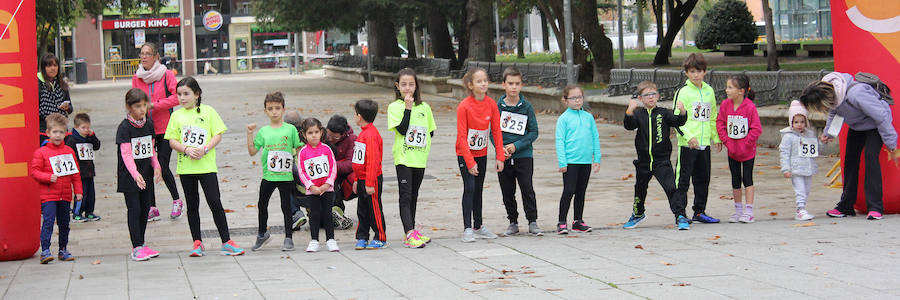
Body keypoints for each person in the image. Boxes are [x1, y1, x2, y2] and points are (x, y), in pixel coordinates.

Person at [799, 72, 900, 220]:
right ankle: (845, 206)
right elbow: (834, 113)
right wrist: (829, 133)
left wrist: (891, 143)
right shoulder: (833, 96)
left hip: (874, 126)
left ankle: (875, 207)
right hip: (857, 126)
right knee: (850, 162)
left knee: (871, 159)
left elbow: (881, 116)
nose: (823, 109)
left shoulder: (856, 95)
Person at [164, 77, 244, 256]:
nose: (182, 98)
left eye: (186, 94)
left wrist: (205, 148)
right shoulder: (176, 115)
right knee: (192, 205)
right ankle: (197, 242)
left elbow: (218, 134)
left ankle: (226, 241)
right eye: (179, 94)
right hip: (186, 168)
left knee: (215, 201)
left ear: (197, 94)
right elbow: (171, 140)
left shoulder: (208, 112)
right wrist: (186, 149)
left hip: (207, 167)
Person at [623, 81, 687, 229]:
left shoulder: (664, 113)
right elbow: (629, 125)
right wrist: (629, 111)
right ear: (640, 98)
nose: (651, 98)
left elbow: (678, 121)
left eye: (653, 94)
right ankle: (638, 213)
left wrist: (682, 112)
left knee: (671, 187)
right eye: (647, 95)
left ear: (658, 96)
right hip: (643, 162)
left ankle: (680, 215)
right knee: (640, 188)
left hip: (661, 161)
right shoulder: (639, 114)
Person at [132, 42, 183, 222]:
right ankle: (151, 207)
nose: (144, 57)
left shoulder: (166, 74)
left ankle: (177, 200)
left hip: (166, 127)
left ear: (155, 57)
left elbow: (177, 97)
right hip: (145, 128)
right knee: (146, 167)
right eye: (142, 54)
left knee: (161, 164)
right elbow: (134, 99)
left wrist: (155, 105)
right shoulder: (137, 77)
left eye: (148, 54)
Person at [671, 53, 722, 230]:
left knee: (703, 179)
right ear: (686, 73)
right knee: (683, 180)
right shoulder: (683, 92)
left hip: (704, 143)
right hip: (688, 145)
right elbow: (676, 120)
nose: (695, 75)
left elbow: (713, 116)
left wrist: (715, 137)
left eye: (699, 71)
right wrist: (688, 137)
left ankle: (699, 211)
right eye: (692, 71)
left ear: (705, 72)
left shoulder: (709, 91)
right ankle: (680, 214)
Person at [247, 92, 303, 252]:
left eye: (277, 108)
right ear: (265, 111)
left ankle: (288, 238)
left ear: (283, 109)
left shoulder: (290, 129)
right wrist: (249, 134)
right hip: (269, 176)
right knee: (261, 204)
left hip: (285, 176)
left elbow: (299, 147)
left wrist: (303, 163)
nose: (274, 112)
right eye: (270, 109)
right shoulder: (264, 131)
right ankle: (262, 234)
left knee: (286, 206)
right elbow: (252, 151)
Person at [387, 68, 436, 248]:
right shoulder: (394, 107)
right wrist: (407, 109)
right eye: (404, 85)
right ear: (397, 86)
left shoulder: (425, 107)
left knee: (414, 195)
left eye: (411, 84)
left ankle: (412, 231)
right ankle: (408, 233)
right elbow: (401, 129)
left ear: (416, 86)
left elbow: (430, 131)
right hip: (403, 158)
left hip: (419, 159)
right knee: (405, 196)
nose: (408, 88)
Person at [456, 67, 505, 243]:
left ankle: (478, 225)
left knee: (478, 189)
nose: (483, 83)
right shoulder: (464, 106)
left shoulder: (492, 104)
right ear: (470, 85)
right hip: (465, 154)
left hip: (482, 152)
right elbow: (462, 136)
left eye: (485, 80)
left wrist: (500, 156)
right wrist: (469, 161)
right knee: (469, 188)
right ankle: (467, 228)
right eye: (479, 81)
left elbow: (497, 132)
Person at [116, 89, 163, 261]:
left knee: (145, 209)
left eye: (144, 105)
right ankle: (136, 246)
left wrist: (157, 166)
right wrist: (135, 175)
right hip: (130, 176)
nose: (142, 109)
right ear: (129, 107)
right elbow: (126, 154)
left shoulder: (149, 124)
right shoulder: (124, 128)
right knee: (134, 209)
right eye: (137, 106)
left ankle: (142, 243)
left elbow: (151, 150)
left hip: (145, 173)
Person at [495, 67, 542, 236]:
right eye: (510, 84)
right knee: (507, 190)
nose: (513, 87)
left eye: (517, 84)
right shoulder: (498, 106)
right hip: (504, 156)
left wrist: (517, 146)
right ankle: (512, 221)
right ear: (504, 85)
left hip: (523, 155)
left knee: (527, 188)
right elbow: (493, 131)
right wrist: (500, 148)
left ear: (521, 85)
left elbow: (533, 132)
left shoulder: (526, 106)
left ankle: (532, 220)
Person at [30, 113, 82, 264]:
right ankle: (45, 250)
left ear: (66, 133)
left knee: (65, 222)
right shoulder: (41, 152)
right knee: (48, 221)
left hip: (65, 195)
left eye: (61, 132)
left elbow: (75, 174)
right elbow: (34, 171)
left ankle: (63, 249)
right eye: (55, 132)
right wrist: (47, 177)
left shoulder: (69, 151)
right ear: (48, 133)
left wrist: (78, 191)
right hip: (48, 195)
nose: (58, 135)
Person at [715, 74, 762, 223]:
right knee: (735, 179)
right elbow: (720, 123)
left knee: (747, 178)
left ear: (741, 91)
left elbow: (756, 129)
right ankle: (738, 209)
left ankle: (749, 210)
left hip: (747, 152)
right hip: (732, 151)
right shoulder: (725, 105)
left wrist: (745, 143)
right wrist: (727, 141)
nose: (726, 90)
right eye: (727, 87)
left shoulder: (750, 107)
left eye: (730, 87)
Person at [555, 85, 601, 235]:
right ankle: (562, 222)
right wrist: (562, 162)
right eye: (573, 98)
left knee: (581, 191)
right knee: (569, 191)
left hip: (586, 161)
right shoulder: (564, 119)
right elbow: (560, 141)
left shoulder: (588, 117)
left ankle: (578, 221)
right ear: (566, 100)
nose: (577, 100)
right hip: (570, 162)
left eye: (579, 97)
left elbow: (595, 137)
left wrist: (597, 158)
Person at [297, 118, 340, 252]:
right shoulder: (303, 152)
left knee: (328, 214)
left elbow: (333, 167)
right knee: (314, 215)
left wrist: (327, 184)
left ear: (321, 132)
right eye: (310, 133)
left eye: (316, 132)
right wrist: (311, 186)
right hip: (312, 191)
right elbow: (302, 171)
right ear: (304, 135)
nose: (314, 135)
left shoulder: (327, 149)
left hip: (327, 189)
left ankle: (330, 239)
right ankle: (314, 240)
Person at [351, 99, 387, 250]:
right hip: (362, 179)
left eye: (355, 114)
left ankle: (380, 237)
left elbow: (373, 161)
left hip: (370, 180)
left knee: (374, 209)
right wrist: (356, 179)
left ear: (359, 116)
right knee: (362, 209)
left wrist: (370, 183)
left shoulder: (371, 135)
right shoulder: (363, 134)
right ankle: (362, 236)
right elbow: (358, 159)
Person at [779, 101, 819, 221]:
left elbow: (816, 149)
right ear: (791, 122)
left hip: (808, 168)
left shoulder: (810, 135)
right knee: (800, 190)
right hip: (796, 169)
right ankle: (800, 209)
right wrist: (786, 169)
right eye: (796, 122)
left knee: (806, 190)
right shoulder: (788, 137)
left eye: (802, 122)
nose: (799, 125)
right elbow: (784, 153)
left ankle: (801, 208)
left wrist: (822, 141)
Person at [64, 113, 101, 222]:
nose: (86, 130)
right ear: (76, 127)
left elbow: (97, 146)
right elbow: (68, 154)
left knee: (91, 194)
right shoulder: (72, 140)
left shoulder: (89, 138)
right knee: (81, 193)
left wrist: (92, 135)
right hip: (79, 172)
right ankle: (77, 213)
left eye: (88, 127)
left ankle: (89, 211)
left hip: (89, 171)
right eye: (83, 128)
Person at [324, 115, 357, 230]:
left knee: (334, 181)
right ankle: (333, 214)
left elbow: (350, 164)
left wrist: (331, 166)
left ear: (343, 134)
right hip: (326, 175)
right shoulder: (322, 136)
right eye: (328, 135)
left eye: (335, 137)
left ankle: (337, 211)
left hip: (342, 176)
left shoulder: (352, 139)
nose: (330, 139)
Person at [284, 110, 309, 231]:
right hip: (318, 190)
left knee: (284, 184)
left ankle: (295, 213)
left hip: (299, 189)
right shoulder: (311, 135)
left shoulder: (286, 140)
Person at [38, 54, 73, 136]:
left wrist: (67, 107)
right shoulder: (37, 84)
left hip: (61, 128)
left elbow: (71, 109)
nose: (53, 68)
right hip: (44, 129)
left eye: (55, 65)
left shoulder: (62, 84)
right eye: (49, 66)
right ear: (43, 68)